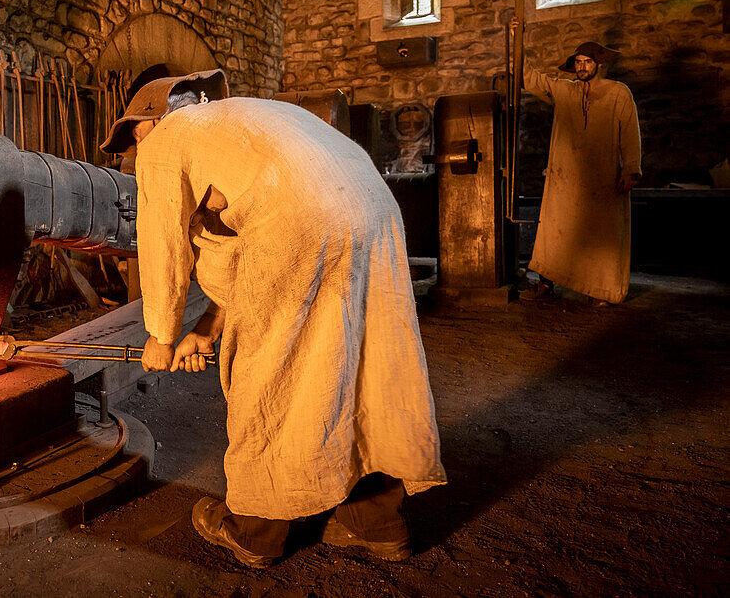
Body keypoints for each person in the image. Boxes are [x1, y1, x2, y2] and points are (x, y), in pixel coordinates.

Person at [100, 69, 446, 568]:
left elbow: (162, 241)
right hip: (374, 211)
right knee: (362, 362)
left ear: (148, 121)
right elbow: (245, 249)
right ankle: (377, 521)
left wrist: (161, 333)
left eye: (132, 137)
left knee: (269, 369)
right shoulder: (252, 119)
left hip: (301, 224)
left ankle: (256, 531)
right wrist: (206, 329)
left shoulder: (167, 139)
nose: (134, 151)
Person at [521, 41, 642, 305]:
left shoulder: (618, 93)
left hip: (602, 175)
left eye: (587, 62)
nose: (581, 67)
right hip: (565, 176)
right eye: (578, 62)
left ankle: (600, 290)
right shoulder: (564, 90)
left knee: (601, 234)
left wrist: (630, 168)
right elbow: (529, 79)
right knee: (554, 228)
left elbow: (630, 133)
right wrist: (519, 38)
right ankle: (545, 284)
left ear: (598, 64)